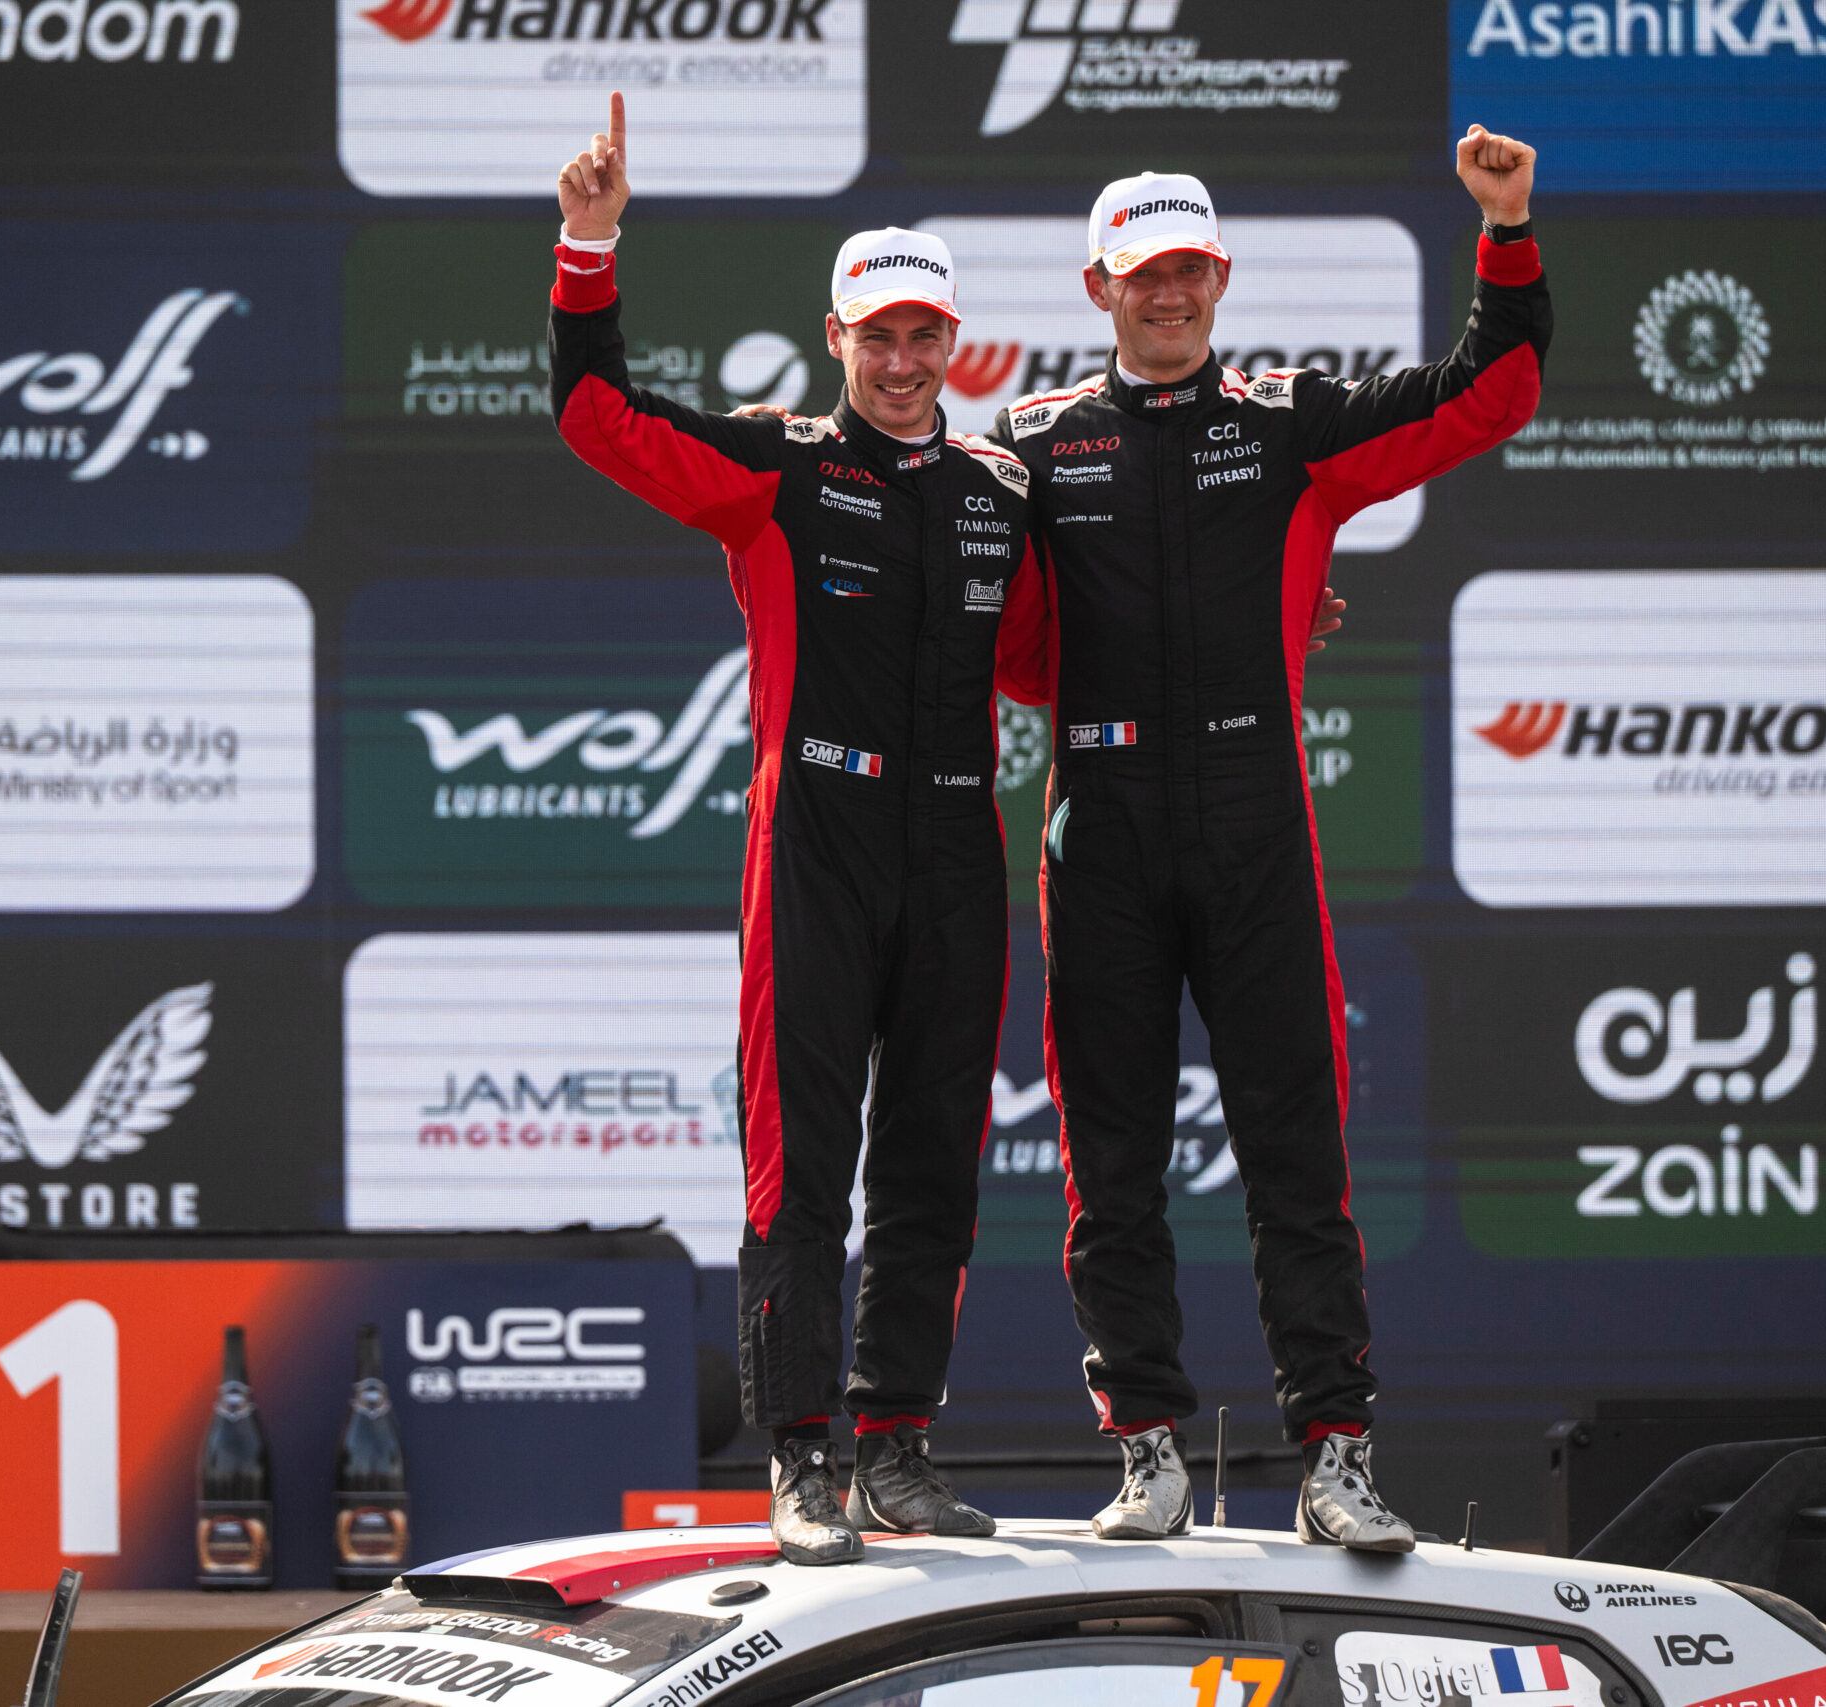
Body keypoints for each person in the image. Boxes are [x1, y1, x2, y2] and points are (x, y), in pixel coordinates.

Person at [988, 126, 1551, 1550]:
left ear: (1219, 279)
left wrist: (1503, 230)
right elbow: (977, 612)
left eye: (1189, 271)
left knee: (1299, 1156)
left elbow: (1491, 394)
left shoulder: (1289, 424)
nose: (1167, 295)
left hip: (1255, 830)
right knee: (1110, 1164)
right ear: (1097, 287)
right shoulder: (1040, 445)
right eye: (1141, 275)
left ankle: (1339, 1457)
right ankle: (1147, 1455)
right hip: (1098, 832)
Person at [549, 95, 1049, 1564]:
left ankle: (897, 1451)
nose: (901, 363)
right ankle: (802, 1460)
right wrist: (589, 246)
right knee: (799, 1167)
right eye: (876, 338)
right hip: (815, 838)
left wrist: (1284, 630)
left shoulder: (997, 493)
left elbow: (1054, 661)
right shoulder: (775, 471)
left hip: (959, 849)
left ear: (956, 346)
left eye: (924, 338)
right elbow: (599, 418)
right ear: (837, 339)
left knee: (937, 1165)